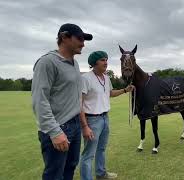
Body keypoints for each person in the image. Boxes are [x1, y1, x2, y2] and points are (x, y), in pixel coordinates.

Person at [32, 23, 93, 180]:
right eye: (79, 38)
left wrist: (83, 125)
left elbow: (76, 97)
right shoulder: (47, 62)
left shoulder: (75, 63)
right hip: (58, 127)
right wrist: (55, 132)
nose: (83, 43)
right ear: (64, 37)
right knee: (54, 175)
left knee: (70, 169)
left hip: (74, 125)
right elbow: (40, 101)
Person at [80, 51, 134, 180]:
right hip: (91, 120)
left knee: (101, 149)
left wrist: (125, 90)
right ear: (94, 63)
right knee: (88, 154)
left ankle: (101, 174)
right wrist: (85, 126)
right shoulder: (85, 78)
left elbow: (110, 93)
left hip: (105, 118)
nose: (106, 62)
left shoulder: (106, 77)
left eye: (106, 59)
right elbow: (79, 104)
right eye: (103, 60)